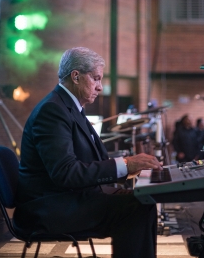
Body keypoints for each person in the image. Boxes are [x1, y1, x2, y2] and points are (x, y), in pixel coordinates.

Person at [13, 47, 162, 258]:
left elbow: (92, 162)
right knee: (137, 207)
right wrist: (126, 164)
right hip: (49, 209)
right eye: (96, 79)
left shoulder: (69, 108)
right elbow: (66, 173)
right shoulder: (52, 111)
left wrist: (129, 170)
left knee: (143, 200)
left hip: (69, 198)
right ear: (76, 76)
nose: (100, 87)